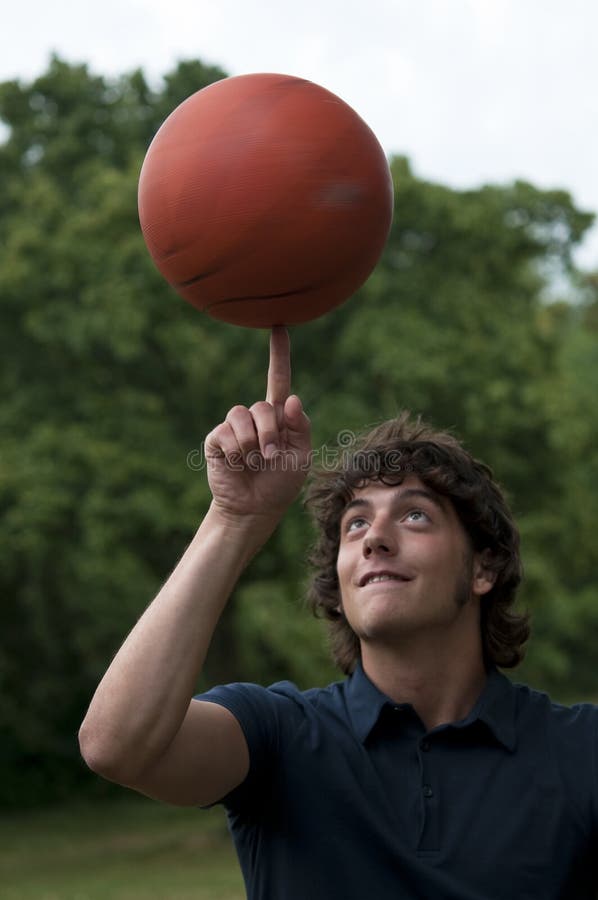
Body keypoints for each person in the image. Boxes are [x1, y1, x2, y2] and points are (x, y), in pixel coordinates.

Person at [79, 328, 598, 899]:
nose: (375, 537)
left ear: (483, 569)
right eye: (356, 523)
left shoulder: (578, 751)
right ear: (340, 580)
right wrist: (234, 519)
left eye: (416, 515)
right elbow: (115, 745)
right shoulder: (277, 737)